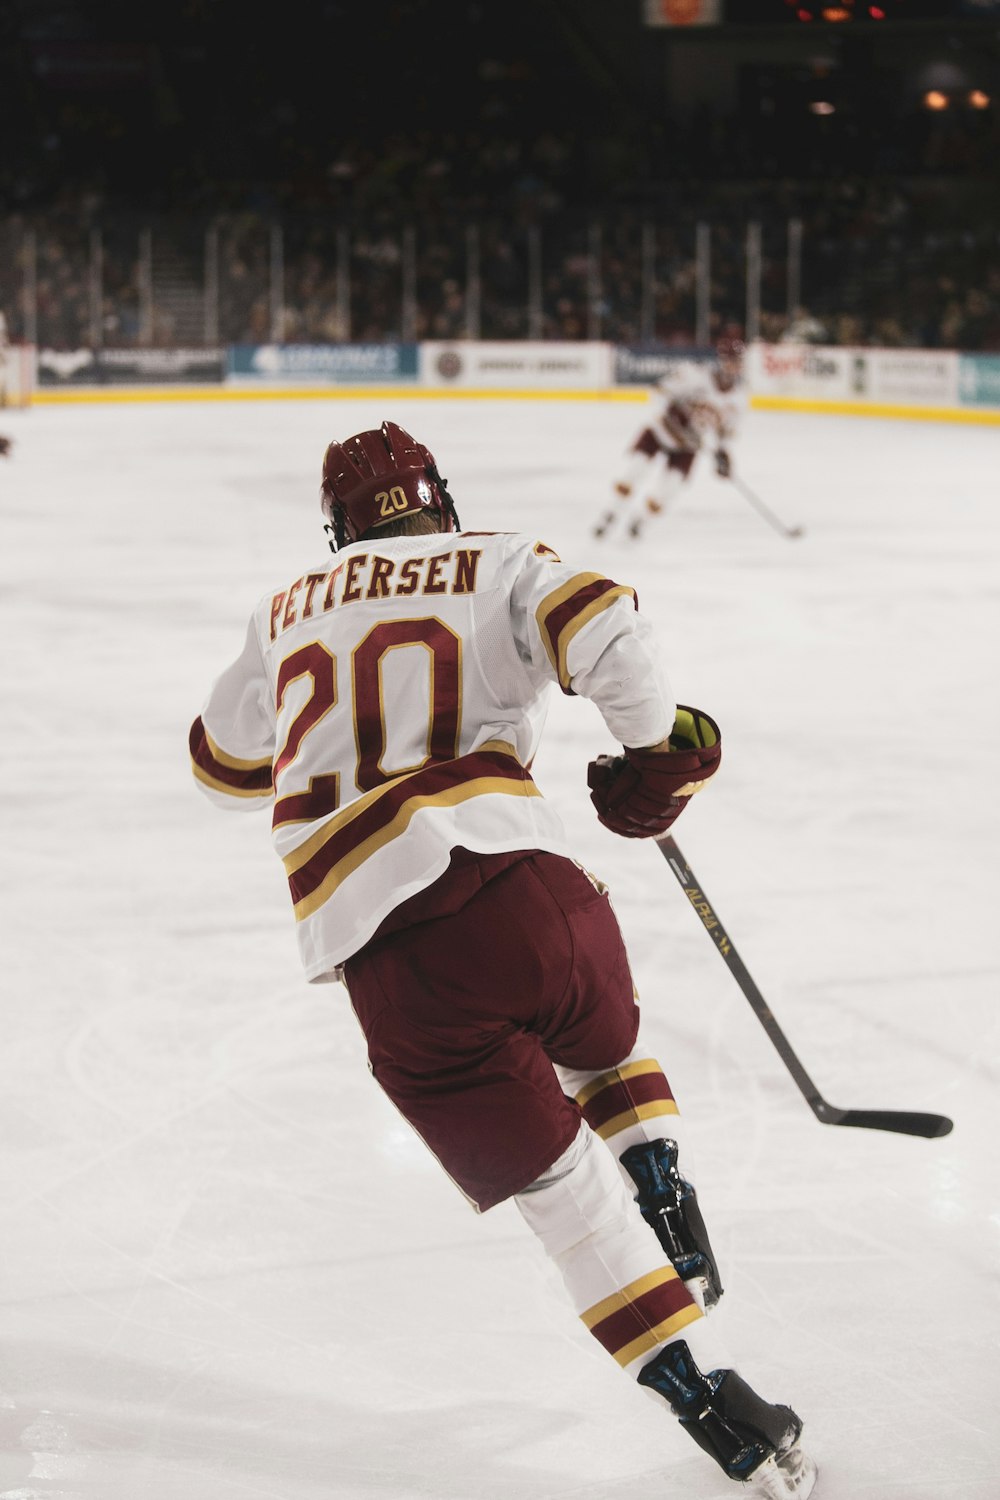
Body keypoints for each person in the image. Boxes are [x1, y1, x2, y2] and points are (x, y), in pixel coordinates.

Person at [189, 421, 816, 1499]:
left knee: (564, 1200)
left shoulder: (281, 608)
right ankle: (666, 1193)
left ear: (336, 528)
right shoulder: (494, 555)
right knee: (596, 1037)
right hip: (530, 892)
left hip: (390, 960)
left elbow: (219, 764)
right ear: (438, 496)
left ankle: (720, 1419)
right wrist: (652, 755)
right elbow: (607, 626)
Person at [594, 337, 746, 541]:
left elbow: (727, 433)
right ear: (720, 359)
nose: (734, 365)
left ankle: (640, 521)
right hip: (661, 432)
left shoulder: (738, 400)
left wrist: (723, 454)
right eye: (730, 359)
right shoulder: (695, 375)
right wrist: (673, 417)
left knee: (668, 491)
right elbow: (661, 391)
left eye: (737, 361)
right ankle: (611, 514)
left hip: (688, 446)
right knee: (633, 473)